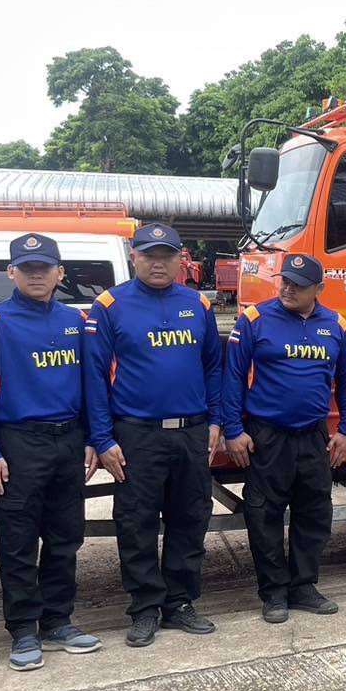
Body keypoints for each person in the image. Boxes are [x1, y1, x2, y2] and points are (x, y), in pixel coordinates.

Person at [84, 222, 223, 647]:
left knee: (190, 518)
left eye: (166, 255)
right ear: (134, 257)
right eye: (148, 255)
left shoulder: (197, 303)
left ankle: (179, 602)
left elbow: (213, 366)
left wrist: (215, 419)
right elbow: (93, 378)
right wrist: (103, 439)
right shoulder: (110, 305)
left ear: (182, 259)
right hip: (135, 435)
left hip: (191, 432)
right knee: (136, 521)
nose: (157, 262)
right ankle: (145, 607)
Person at [0, 234, 103, 671]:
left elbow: (89, 387)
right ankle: (24, 629)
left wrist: (88, 438)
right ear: (12, 273)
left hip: (66, 442)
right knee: (19, 541)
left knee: (66, 537)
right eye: (27, 269)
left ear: (59, 273)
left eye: (45, 268)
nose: (37, 275)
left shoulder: (74, 321)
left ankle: (58, 620)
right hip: (17, 443)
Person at [223, 254, 346, 623]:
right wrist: (233, 430)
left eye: (298, 284)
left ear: (319, 290)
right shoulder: (254, 320)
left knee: (314, 513)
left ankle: (303, 587)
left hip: (314, 437)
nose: (288, 288)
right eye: (284, 281)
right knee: (264, 514)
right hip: (267, 437)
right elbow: (232, 378)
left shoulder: (336, 325)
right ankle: (274, 593)